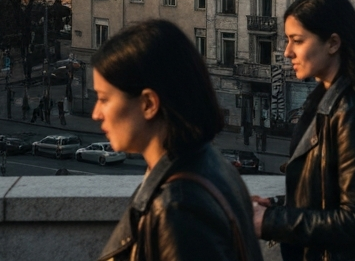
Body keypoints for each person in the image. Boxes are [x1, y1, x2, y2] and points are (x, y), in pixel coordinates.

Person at [253, 0, 355, 261]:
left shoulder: (353, 112)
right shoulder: (325, 99)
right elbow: (324, 193)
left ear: (333, 43)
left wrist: (270, 222)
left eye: (297, 41)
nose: (287, 52)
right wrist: (274, 207)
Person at [94, 20, 262, 261]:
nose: (96, 113)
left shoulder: (178, 207)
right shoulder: (209, 162)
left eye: (103, 99)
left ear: (148, 104)